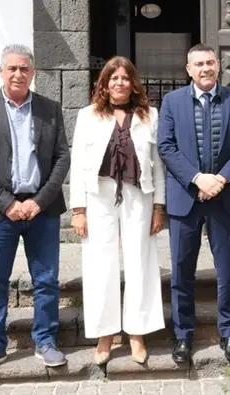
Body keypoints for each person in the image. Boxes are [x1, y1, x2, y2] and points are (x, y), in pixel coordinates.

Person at [0, 44, 70, 375]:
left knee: (47, 280)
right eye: (12, 68)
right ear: (1, 72)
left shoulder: (50, 109)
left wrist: (39, 201)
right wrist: (6, 202)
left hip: (42, 209)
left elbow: (62, 158)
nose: (18, 74)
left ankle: (46, 341)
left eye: (24, 69)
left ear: (33, 73)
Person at [157, 43, 230, 363]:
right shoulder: (172, 101)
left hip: (224, 199)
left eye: (210, 62)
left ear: (219, 65)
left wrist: (221, 179)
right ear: (188, 69)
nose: (205, 68)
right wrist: (197, 178)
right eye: (199, 64)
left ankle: (229, 333)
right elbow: (166, 146)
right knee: (182, 271)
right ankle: (183, 336)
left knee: (227, 272)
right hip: (185, 198)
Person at [69, 56, 167, 365]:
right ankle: (105, 335)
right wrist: (78, 209)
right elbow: (77, 163)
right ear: (105, 83)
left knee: (140, 261)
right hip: (99, 196)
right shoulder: (88, 116)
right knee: (100, 265)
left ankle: (137, 333)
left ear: (133, 83)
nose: (120, 83)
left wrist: (159, 206)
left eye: (125, 78)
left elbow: (158, 164)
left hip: (140, 195)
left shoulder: (150, 115)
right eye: (114, 78)